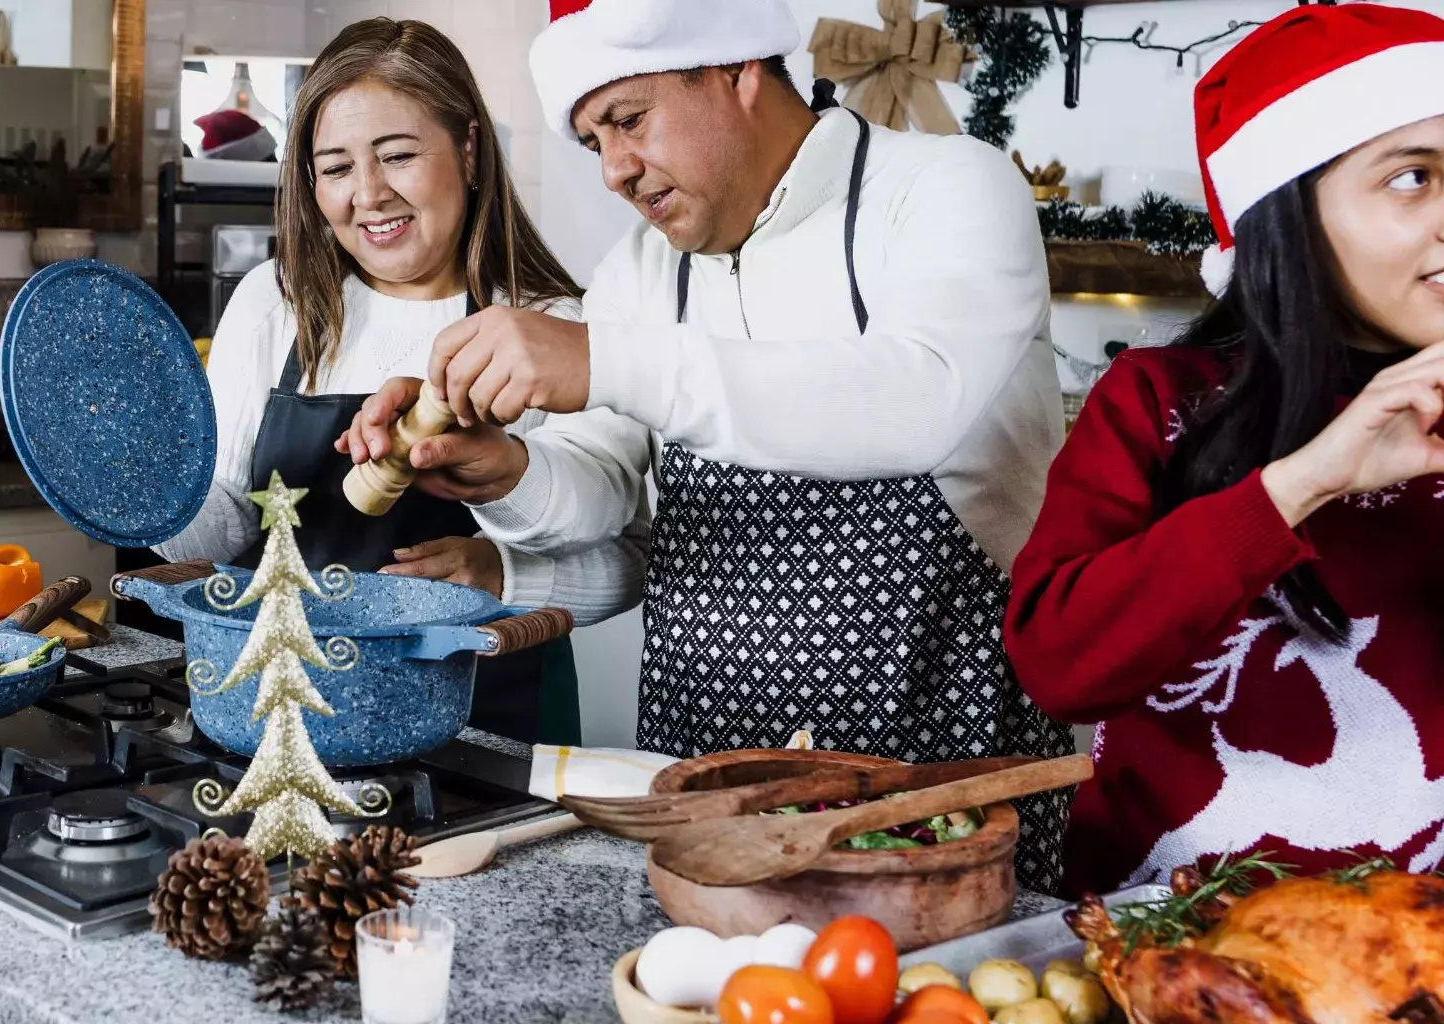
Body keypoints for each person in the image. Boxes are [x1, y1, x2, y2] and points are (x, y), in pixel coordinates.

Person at [340, 0, 1074, 889]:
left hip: (936, 763)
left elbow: (919, 403)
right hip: (700, 769)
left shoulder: (947, 188)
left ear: (737, 69)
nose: (614, 170)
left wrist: (605, 358)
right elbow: (605, 490)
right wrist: (508, 472)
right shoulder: (641, 273)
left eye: (628, 119)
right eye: (591, 141)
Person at [1005, 2, 1444, 895]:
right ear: (1288, 213)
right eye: (1412, 178)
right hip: (1173, 944)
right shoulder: (1162, 401)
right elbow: (1058, 669)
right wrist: (1300, 484)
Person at [156, 18, 648, 747]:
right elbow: (227, 528)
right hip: (287, 716)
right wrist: (148, 494)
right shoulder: (276, 302)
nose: (368, 194)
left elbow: (630, 554)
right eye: (336, 167)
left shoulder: (554, 327)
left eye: (398, 155)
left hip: (489, 727)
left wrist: (503, 570)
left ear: (471, 151)